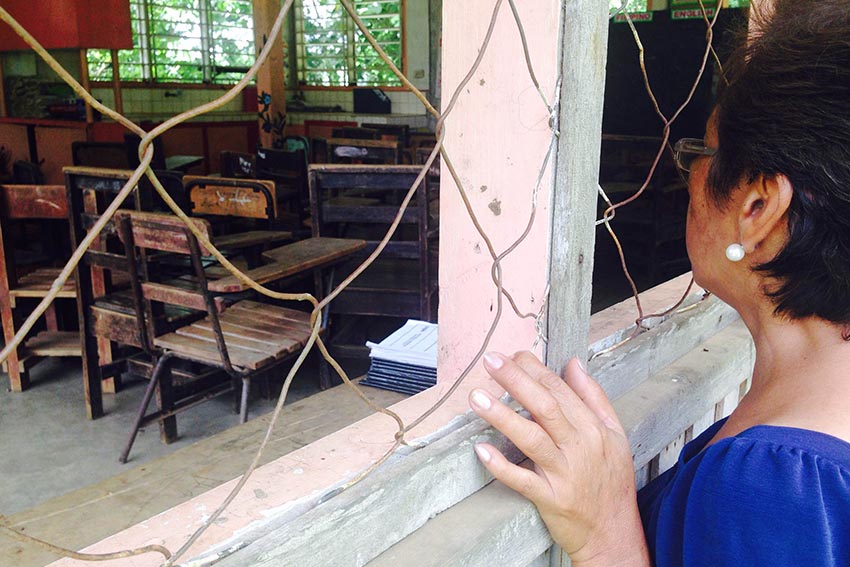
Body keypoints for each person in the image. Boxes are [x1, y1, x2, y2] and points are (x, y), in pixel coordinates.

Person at [468, 1, 850, 565]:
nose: (690, 173)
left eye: (700, 152)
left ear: (759, 207)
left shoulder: (772, 488)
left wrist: (605, 532)